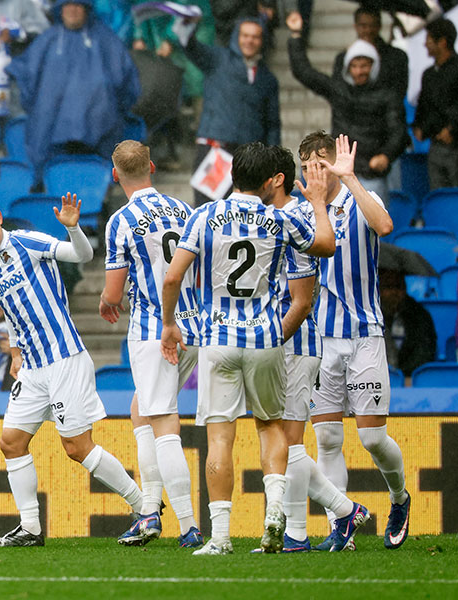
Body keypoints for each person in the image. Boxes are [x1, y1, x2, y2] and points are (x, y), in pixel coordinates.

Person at [160, 141, 335, 555]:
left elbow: (172, 279)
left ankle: (220, 537)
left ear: (233, 174)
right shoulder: (279, 220)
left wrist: (169, 323)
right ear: (267, 180)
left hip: (218, 339)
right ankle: (275, 513)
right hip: (267, 339)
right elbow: (326, 246)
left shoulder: (204, 215)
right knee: (270, 425)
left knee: (220, 439)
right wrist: (319, 203)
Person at [0, 191, 145, 547]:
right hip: (32, 367)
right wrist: (14, 350)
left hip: (64, 358)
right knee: (11, 442)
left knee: (76, 447)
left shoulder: (28, 242)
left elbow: (82, 256)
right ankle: (30, 529)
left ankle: (143, 507)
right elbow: (13, 312)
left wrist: (73, 229)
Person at [299, 131, 411, 551]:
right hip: (321, 340)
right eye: (307, 165)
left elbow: (384, 225)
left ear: (334, 162)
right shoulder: (302, 210)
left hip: (364, 334)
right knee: (326, 438)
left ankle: (399, 497)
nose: (314, 171)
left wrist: (349, 179)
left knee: (371, 439)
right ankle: (339, 526)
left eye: (320, 163)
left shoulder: (358, 200)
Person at [99, 140, 203, 549]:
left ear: (114, 175)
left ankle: (188, 524)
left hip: (155, 330)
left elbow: (112, 290)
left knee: (163, 423)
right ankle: (148, 512)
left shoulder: (121, 221)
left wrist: (108, 301)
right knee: (141, 411)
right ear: (153, 167)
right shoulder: (183, 209)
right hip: (194, 325)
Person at [267, 145, 370, 553]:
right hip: (290, 338)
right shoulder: (279, 217)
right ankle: (297, 533)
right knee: (285, 440)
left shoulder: (299, 217)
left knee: (288, 441)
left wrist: (273, 337)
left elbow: (304, 291)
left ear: (274, 180)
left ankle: (343, 510)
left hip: (297, 339)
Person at [287, 11, 405, 205]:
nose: (360, 71)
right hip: (340, 171)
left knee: (374, 226)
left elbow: (397, 131)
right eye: (355, 65)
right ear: (348, 68)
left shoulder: (387, 95)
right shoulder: (338, 89)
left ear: (373, 66)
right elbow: (304, 72)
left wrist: (386, 155)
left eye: (365, 65)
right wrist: (295, 35)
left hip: (371, 173)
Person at [6, 0, 140, 169]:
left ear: (87, 9)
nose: (73, 10)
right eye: (67, 5)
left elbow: (126, 80)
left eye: (78, 5)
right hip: (51, 125)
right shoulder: (47, 40)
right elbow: (26, 74)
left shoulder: (106, 40)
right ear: (60, 9)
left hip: (99, 126)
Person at [179, 16, 281, 206]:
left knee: (243, 213)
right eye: (245, 35)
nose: (249, 41)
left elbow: (272, 124)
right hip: (215, 149)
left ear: (263, 40)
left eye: (255, 37)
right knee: (207, 211)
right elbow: (191, 48)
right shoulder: (217, 59)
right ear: (237, 37)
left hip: (248, 158)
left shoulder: (267, 78)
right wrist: (188, 26)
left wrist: (275, 161)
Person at [412, 18, 458, 190]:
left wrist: (452, 128)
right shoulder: (429, 75)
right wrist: (419, 126)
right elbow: (423, 104)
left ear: (442, 42)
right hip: (436, 146)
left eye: (429, 40)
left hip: (455, 145)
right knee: (438, 194)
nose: (425, 45)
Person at [332, 7, 409, 100]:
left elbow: (399, 91)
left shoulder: (397, 57)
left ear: (380, 26)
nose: (368, 30)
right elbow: (338, 91)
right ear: (356, 26)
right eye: (363, 26)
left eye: (373, 25)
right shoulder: (343, 58)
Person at [380, 269, 437, 378]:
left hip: (411, 380)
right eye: (389, 287)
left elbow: (424, 352)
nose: (394, 293)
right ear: (380, 290)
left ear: (405, 289)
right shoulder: (369, 316)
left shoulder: (420, 315)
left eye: (398, 287)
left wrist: (408, 376)